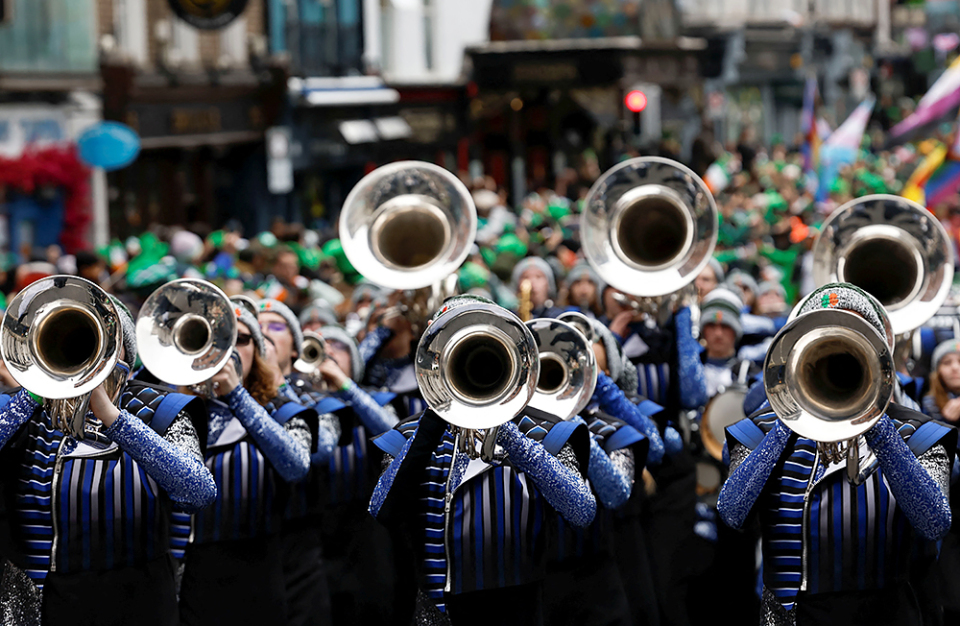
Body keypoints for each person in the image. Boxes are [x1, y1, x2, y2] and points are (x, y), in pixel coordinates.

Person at [719, 284, 956, 626]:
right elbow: (731, 512)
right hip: (793, 615)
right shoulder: (760, 430)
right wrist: (792, 414)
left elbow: (935, 522)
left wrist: (872, 415)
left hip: (887, 613)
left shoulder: (919, 432)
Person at [369, 297, 597, 626]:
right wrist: (433, 419)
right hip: (436, 612)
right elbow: (383, 510)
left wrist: (508, 433)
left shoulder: (544, 429)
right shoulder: (409, 434)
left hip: (516, 610)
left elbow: (582, 510)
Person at [0, 290, 215, 626]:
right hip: (43, 601)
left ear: (123, 353)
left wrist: (113, 418)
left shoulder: (162, 409)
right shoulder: (22, 407)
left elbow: (199, 491)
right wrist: (31, 394)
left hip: (138, 598)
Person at [178, 306, 316, 626]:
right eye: (218, 339)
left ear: (259, 350)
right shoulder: (178, 410)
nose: (229, 350)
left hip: (258, 567)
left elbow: (296, 466)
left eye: (240, 339)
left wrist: (237, 396)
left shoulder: (283, 409)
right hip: (193, 570)